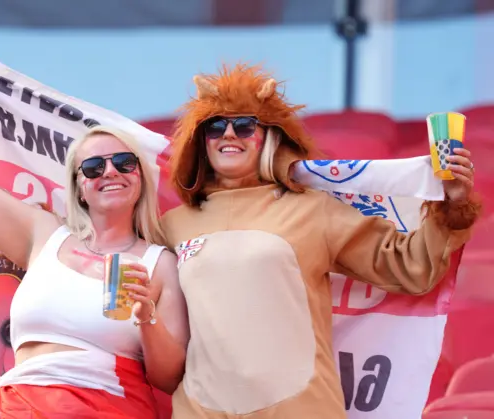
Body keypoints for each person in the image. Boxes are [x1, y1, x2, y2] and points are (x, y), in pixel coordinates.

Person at [161, 63, 481, 419]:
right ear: (200, 141)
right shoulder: (173, 226)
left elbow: (408, 267)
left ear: (270, 137)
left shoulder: (313, 209)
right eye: (215, 126)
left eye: (245, 125)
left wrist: (451, 203)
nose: (229, 134)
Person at [0, 52, 189, 418]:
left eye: (124, 163)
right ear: (79, 188)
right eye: (93, 167)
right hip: (14, 406)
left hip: (106, 407)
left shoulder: (160, 263)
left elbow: (169, 378)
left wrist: (147, 316)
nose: (110, 172)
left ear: (140, 178)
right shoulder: (45, 235)